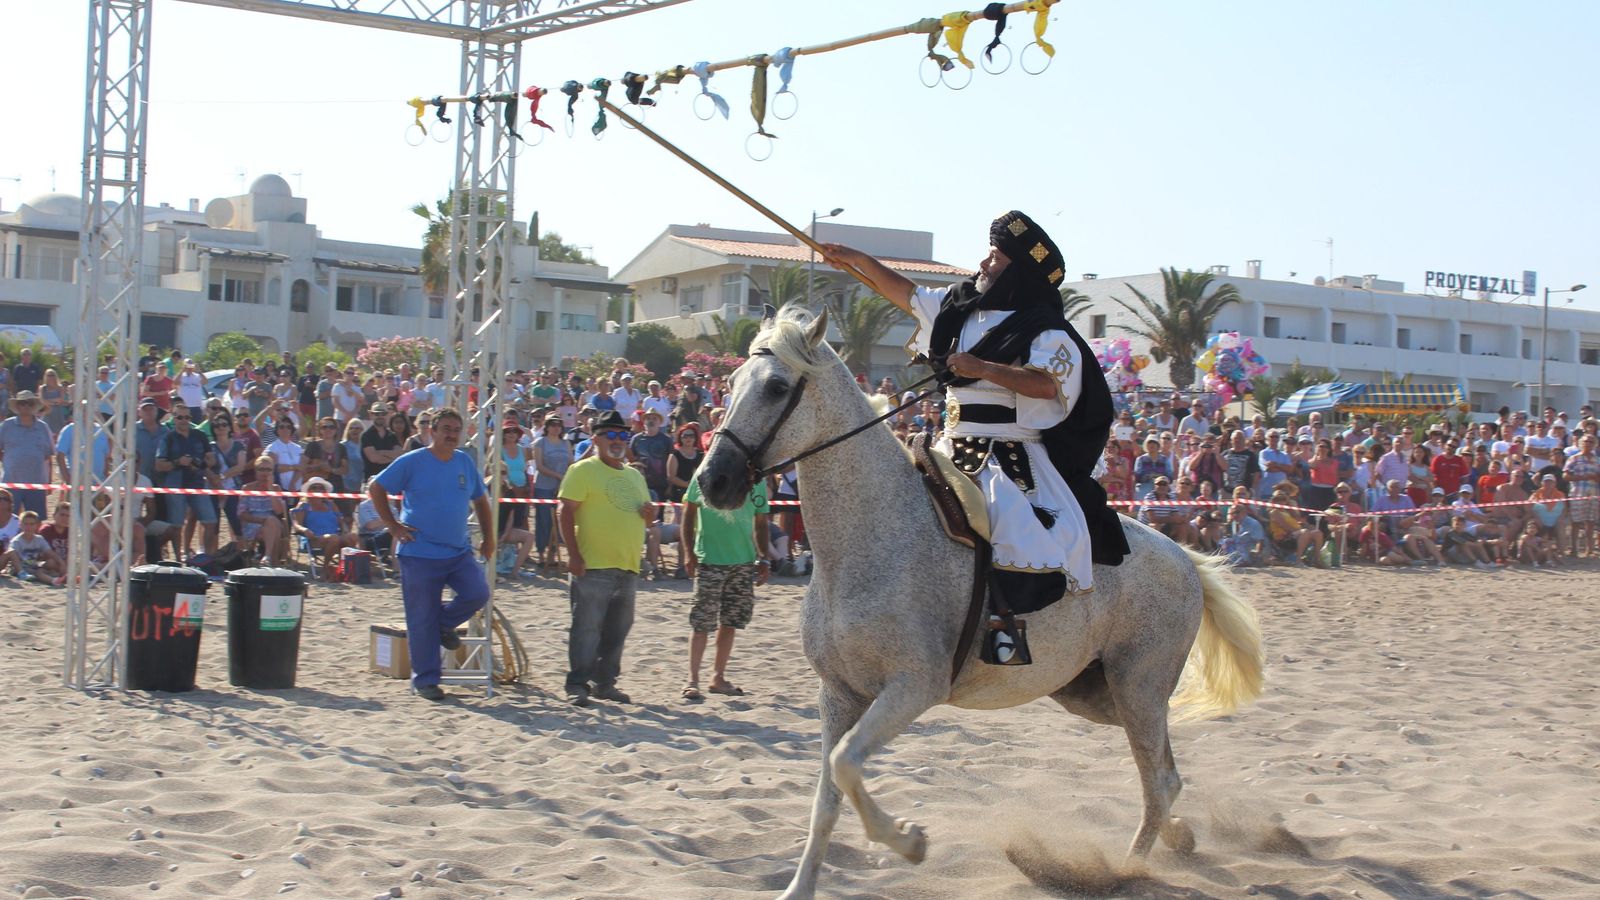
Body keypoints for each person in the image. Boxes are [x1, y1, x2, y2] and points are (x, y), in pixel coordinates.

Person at [824, 211, 1127, 640]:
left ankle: (1004, 624)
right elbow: (905, 294)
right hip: (947, 443)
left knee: (1013, 527)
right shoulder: (959, 307)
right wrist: (855, 260)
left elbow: (1045, 384)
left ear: (1017, 270)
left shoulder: (1045, 330)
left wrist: (981, 367)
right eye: (987, 255)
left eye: (995, 257)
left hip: (1007, 452)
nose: (984, 264)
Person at [369, 408, 494, 701]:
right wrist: (393, 525)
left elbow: (481, 501)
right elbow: (376, 487)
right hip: (419, 552)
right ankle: (426, 680)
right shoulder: (413, 461)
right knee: (420, 616)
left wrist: (489, 538)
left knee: (477, 593)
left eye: (456, 429)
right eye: (446, 428)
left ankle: (442, 625)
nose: (451, 434)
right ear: (432, 431)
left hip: (458, 550)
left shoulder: (464, 462)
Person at [557, 410, 652, 707]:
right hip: (593, 563)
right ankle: (577, 684)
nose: (617, 440)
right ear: (595, 438)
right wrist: (572, 555)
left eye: (622, 435)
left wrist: (650, 516)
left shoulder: (635, 474)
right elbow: (566, 512)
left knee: (617, 630)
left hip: (627, 564)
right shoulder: (582, 470)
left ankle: (605, 683)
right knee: (586, 627)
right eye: (610, 434)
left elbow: (645, 516)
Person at [679, 463, 771, 701]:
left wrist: (764, 558)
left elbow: (761, 522)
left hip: (743, 562)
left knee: (730, 623)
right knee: (701, 623)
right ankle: (692, 680)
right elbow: (688, 514)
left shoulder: (757, 481)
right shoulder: (703, 475)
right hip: (710, 560)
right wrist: (689, 553)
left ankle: (718, 677)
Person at [155, 404, 220, 558]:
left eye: (187, 417)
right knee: (176, 525)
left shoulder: (200, 435)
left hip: (197, 483)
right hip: (175, 484)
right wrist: (178, 462)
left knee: (210, 522)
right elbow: (158, 465)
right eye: (179, 417)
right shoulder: (168, 438)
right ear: (173, 418)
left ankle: (205, 558)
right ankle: (178, 558)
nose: (184, 421)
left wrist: (200, 463)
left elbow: (211, 459)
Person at [0, 392, 55, 516]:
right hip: (11, 482)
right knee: (5, 519)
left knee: (35, 521)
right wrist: (9, 462)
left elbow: (48, 456)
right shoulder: (6, 425)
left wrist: (49, 482)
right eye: (23, 403)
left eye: (30, 404)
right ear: (17, 406)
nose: (26, 407)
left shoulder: (43, 427)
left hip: (37, 482)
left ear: (34, 406)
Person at [529, 414, 571, 572]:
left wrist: (565, 478)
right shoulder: (540, 443)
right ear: (547, 427)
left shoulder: (565, 443)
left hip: (562, 486)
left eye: (558, 425)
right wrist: (558, 476)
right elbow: (539, 466)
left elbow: (570, 463)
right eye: (553, 424)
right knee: (544, 520)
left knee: (559, 521)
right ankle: (541, 555)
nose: (556, 428)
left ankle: (552, 556)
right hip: (544, 486)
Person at [292, 477, 359, 571]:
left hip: (334, 536)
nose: (317, 490)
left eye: (321, 488)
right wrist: (304, 530)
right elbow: (296, 525)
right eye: (314, 487)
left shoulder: (331, 505)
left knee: (352, 536)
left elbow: (341, 521)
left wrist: (345, 529)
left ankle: (347, 569)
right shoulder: (304, 505)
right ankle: (325, 568)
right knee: (334, 538)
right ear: (308, 490)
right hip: (313, 538)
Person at [237, 455, 287, 564]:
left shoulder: (276, 488)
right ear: (256, 471)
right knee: (273, 524)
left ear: (273, 472)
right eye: (261, 469)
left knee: (273, 523)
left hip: (271, 525)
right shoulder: (247, 488)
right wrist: (261, 521)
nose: (265, 473)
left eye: (268, 470)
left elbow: (279, 511)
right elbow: (241, 514)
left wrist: (270, 490)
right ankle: (272, 560)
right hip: (252, 524)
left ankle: (267, 557)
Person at [3, 510, 65, 583]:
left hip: (34, 565)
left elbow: (50, 552)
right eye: (26, 524)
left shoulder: (39, 539)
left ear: (37, 525)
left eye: (32, 524)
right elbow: (11, 555)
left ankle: (62, 576)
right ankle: (54, 581)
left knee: (51, 562)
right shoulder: (17, 541)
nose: (28, 527)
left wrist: (61, 562)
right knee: (39, 573)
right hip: (20, 567)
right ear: (20, 525)